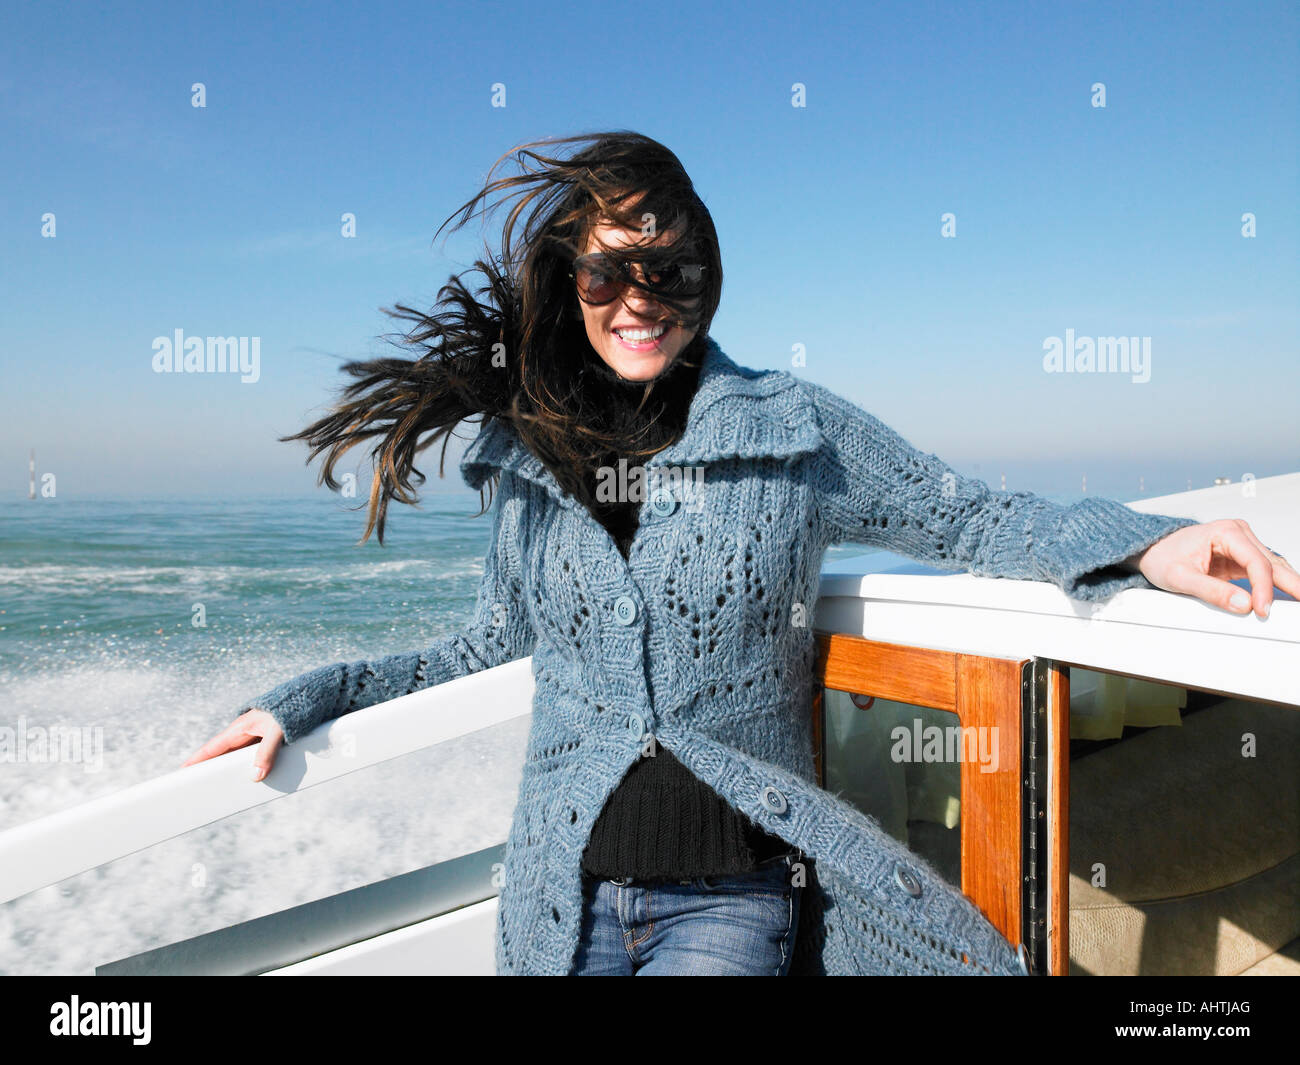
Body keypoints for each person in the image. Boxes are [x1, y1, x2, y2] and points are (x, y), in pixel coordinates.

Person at [183, 131, 1296, 975]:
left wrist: (1147, 543)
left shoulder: (790, 426)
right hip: (557, 894)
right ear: (569, 286)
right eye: (609, 274)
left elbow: (970, 517)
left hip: (730, 898)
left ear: (704, 275)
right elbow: (489, 641)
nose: (638, 301)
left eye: (666, 271)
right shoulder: (520, 453)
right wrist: (310, 696)